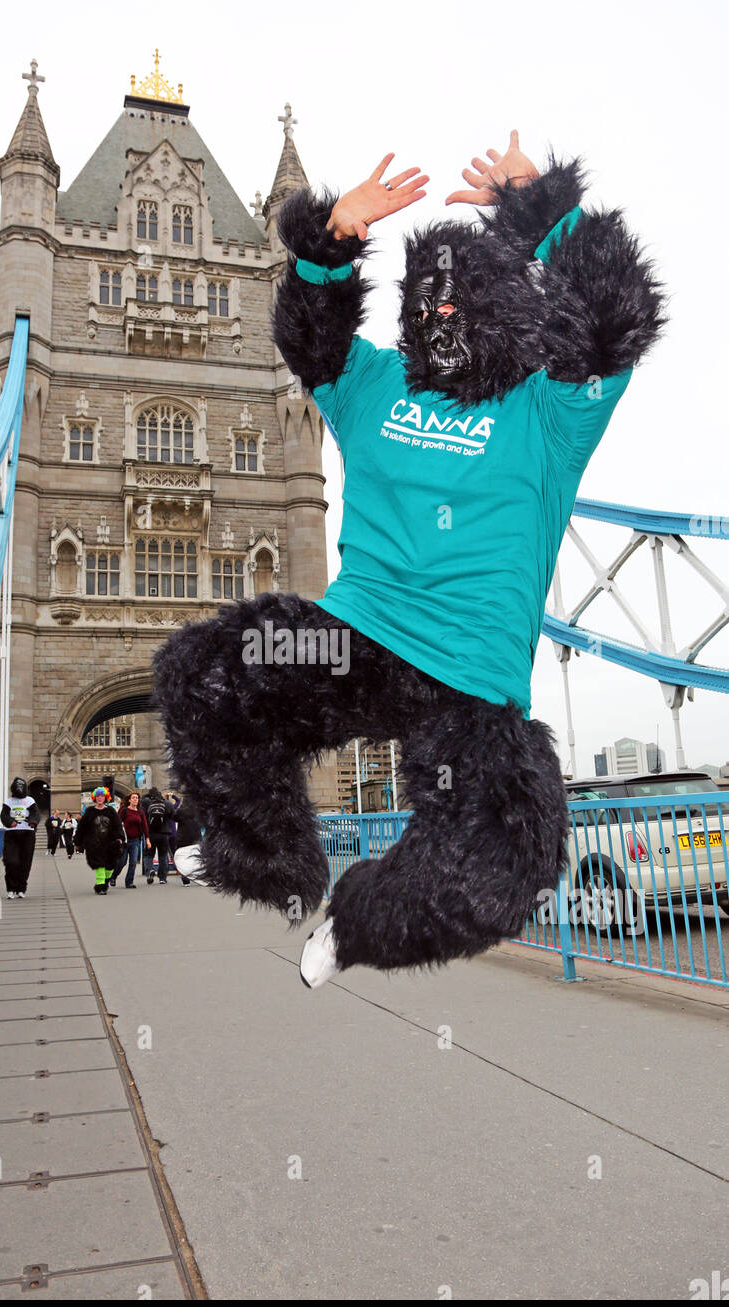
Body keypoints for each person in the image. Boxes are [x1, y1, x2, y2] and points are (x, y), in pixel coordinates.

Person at [156, 131, 665, 989]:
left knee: (515, 851)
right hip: (352, 649)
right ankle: (269, 860)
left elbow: (613, 319)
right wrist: (327, 248)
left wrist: (547, 210)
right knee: (207, 671)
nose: (442, 322)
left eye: (462, 310)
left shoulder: (549, 412)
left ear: (511, 313)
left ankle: (357, 926)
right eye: (427, 311)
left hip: (467, 685)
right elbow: (312, 339)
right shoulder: (376, 385)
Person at [74, 786, 126, 895]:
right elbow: (81, 827)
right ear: (94, 798)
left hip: (110, 843)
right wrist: (77, 842)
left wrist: (120, 838)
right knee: (99, 865)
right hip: (94, 844)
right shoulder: (89, 811)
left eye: (102, 796)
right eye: (97, 796)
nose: (100, 798)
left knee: (110, 866)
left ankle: (105, 880)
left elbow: (117, 825)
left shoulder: (111, 811)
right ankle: (101, 886)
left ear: (105, 797)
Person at [0, 776, 40, 899]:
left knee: (25, 862)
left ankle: (21, 888)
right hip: (12, 834)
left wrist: (33, 822)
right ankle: (11, 888)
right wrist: (10, 822)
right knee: (11, 861)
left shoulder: (30, 801)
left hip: (27, 833)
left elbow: (35, 814)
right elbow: (4, 815)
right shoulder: (8, 802)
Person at [117, 791, 152, 888]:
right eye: (133, 798)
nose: (135, 799)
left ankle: (129, 882)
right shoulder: (124, 810)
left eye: (137, 798)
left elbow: (145, 826)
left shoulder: (140, 812)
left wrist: (148, 839)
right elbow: (118, 824)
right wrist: (119, 837)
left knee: (133, 862)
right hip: (125, 841)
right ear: (129, 800)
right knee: (122, 862)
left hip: (136, 840)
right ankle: (113, 877)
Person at [142, 786, 171, 884]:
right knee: (163, 856)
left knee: (148, 855)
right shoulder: (166, 803)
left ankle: (150, 870)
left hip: (151, 833)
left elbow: (142, 815)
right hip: (164, 833)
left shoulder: (146, 802)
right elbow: (173, 815)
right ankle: (162, 878)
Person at [172, 795, 201, 886]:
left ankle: (186, 879)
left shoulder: (181, 811)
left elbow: (174, 817)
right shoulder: (197, 810)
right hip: (195, 836)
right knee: (196, 857)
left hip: (183, 838)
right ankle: (197, 876)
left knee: (183, 858)